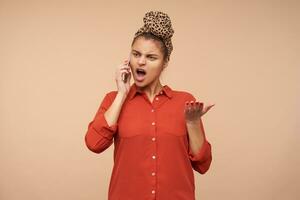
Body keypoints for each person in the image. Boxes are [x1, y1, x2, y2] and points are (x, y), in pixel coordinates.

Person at [84, 10, 215, 200]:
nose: (141, 61)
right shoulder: (113, 100)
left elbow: (203, 165)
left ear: (165, 63)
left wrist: (193, 123)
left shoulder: (184, 102)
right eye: (136, 54)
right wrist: (122, 93)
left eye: (151, 57)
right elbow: (93, 143)